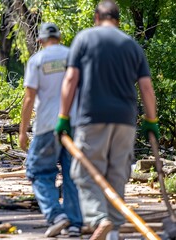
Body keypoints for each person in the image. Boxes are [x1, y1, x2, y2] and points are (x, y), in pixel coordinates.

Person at [55, 1, 159, 239]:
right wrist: (151, 120)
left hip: (92, 117)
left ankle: (99, 218)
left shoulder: (84, 39)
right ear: (118, 20)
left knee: (86, 172)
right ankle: (112, 230)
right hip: (125, 120)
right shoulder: (131, 45)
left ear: (96, 17)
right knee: (117, 173)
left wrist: (63, 116)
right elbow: (146, 87)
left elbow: (70, 80)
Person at [18, 23, 83, 238]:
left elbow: (29, 98)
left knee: (38, 171)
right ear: (61, 37)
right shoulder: (73, 56)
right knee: (72, 175)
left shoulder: (37, 60)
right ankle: (75, 223)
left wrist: (23, 131)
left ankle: (56, 215)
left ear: (40, 40)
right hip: (73, 124)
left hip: (47, 126)